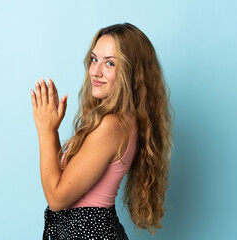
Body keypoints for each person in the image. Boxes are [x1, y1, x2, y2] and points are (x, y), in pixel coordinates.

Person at [30, 23, 173, 240]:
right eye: (95, 59)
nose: (96, 71)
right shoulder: (119, 122)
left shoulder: (113, 126)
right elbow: (67, 181)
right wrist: (53, 130)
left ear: (131, 71)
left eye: (110, 63)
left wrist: (45, 131)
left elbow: (57, 198)